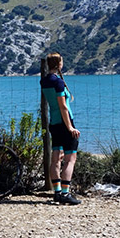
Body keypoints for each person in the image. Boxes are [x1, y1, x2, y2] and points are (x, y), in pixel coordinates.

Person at [40, 52, 81, 205]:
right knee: (70, 159)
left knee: (56, 157)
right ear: (59, 64)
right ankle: (65, 193)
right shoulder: (58, 83)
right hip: (64, 123)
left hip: (54, 123)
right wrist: (70, 127)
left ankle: (57, 192)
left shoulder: (44, 81)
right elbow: (63, 106)